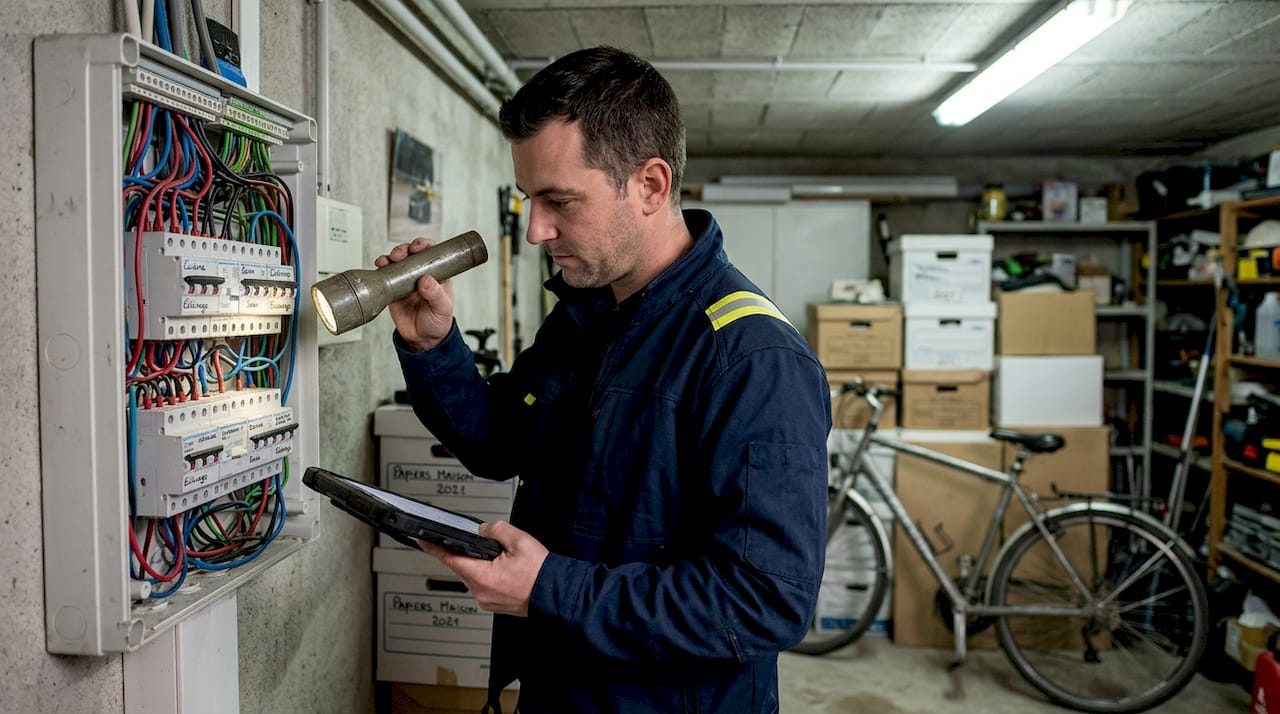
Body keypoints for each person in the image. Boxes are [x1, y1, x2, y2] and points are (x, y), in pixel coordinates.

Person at [377, 45, 831, 714]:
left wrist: (548, 589)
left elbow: (764, 601)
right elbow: (500, 442)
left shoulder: (753, 359)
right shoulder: (587, 317)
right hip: (560, 689)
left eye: (559, 200)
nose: (536, 230)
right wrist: (432, 344)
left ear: (650, 185)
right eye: (530, 199)